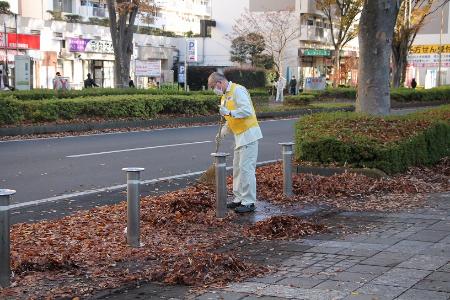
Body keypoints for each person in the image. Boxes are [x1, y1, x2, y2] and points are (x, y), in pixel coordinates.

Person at [208, 72, 263, 214]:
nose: (215, 89)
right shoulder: (224, 97)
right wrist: (222, 133)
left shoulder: (238, 90)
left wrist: (229, 112)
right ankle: (238, 198)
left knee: (246, 169)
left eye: (214, 86)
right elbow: (228, 120)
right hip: (239, 136)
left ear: (220, 83)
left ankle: (249, 201)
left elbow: (247, 111)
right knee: (237, 168)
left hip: (249, 134)